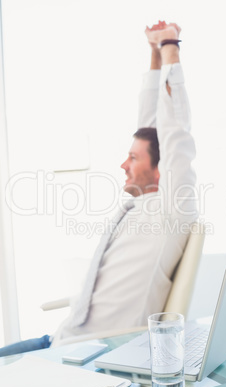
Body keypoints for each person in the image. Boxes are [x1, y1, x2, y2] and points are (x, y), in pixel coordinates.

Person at [0, 21, 197, 356]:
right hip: (57, 341)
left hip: (83, 355)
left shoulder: (171, 212)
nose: (123, 165)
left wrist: (169, 45)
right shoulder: (139, 208)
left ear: (161, 171)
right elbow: (149, 130)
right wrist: (152, 54)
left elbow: (174, 133)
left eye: (132, 158)